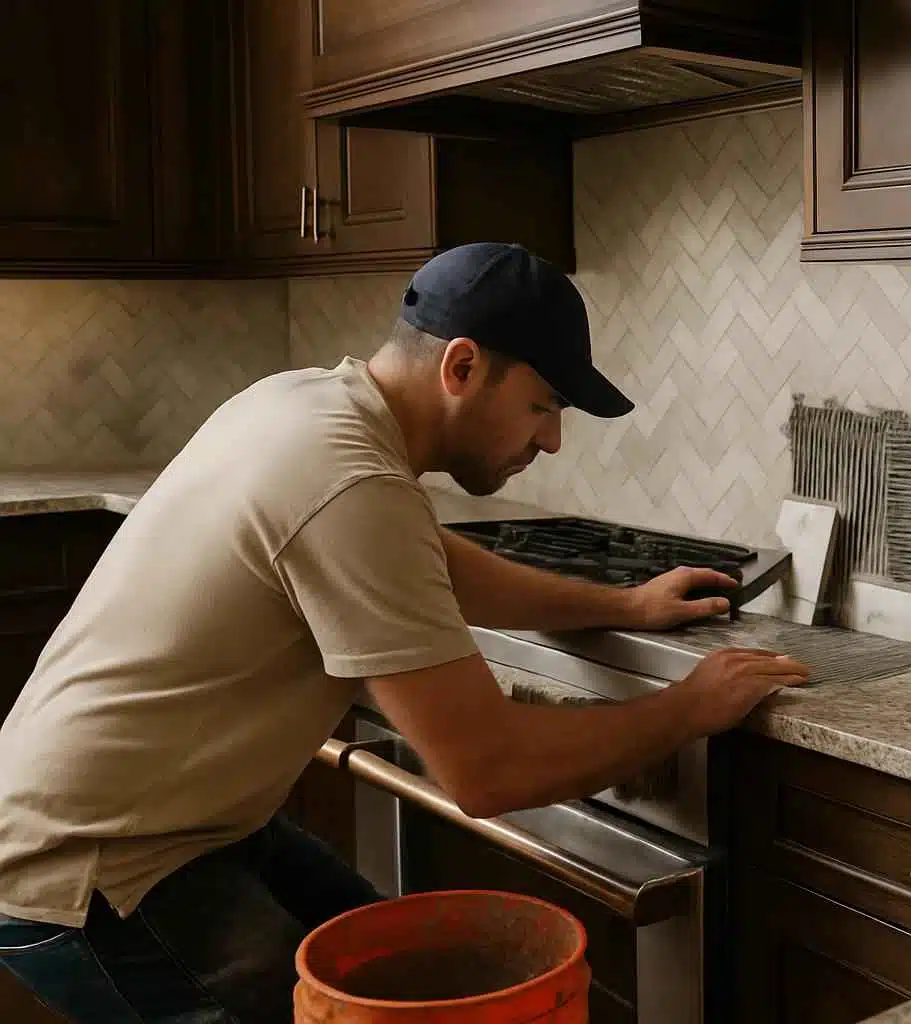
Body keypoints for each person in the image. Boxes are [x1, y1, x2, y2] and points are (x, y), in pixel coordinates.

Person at [0, 242, 810, 1022]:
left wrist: (621, 605)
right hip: (96, 873)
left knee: (406, 991)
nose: (553, 438)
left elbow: (435, 562)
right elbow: (486, 770)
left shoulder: (306, 404)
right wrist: (689, 709)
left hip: (181, 829)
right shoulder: (349, 476)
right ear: (461, 368)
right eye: (543, 405)